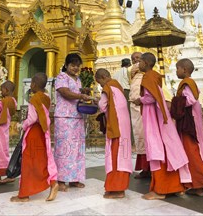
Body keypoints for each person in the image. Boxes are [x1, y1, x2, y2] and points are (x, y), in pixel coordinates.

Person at [133, 52, 191, 200]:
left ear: (145, 63)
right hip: (159, 116)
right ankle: (175, 186)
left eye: (139, 61)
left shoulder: (148, 77)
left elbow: (150, 97)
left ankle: (160, 190)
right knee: (166, 150)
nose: (138, 64)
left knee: (157, 151)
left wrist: (139, 100)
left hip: (154, 118)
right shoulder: (155, 76)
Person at [172, 58, 203, 200]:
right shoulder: (186, 83)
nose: (176, 71)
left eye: (177, 68)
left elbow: (191, 100)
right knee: (189, 153)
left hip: (190, 122)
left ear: (184, 70)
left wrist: (174, 104)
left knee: (195, 153)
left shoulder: (188, 82)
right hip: (187, 121)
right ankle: (197, 187)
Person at [10, 72, 59, 202]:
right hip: (43, 132)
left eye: (31, 82)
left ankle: (24, 194)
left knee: (28, 162)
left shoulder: (34, 98)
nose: (30, 85)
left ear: (35, 84)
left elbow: (32, 118)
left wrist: (22, 125)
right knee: (43, 160)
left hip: (34, 133)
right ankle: (53, 183)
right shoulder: (46, 97)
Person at [54, 53, 92, 192]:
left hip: (77, 117)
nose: (75, 68)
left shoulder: (78, 79)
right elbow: (65, 92)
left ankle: (74, 178)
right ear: (66, 65)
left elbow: (76, 94)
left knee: (77, 149)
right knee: (64, 150)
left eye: (77, 65)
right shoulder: (61, 77)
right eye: (72, 65)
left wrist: (83, 91)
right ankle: (61, 179)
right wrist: (80, 95)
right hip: (64, 118)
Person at [95, 68, 132, 199]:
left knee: (116, 157)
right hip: (125, 125)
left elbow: (103, 105)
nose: (100, 85)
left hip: (116, 126)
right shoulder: (118, 85)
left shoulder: (108, 88)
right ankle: (118, 187)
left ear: (104, 77)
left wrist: (96, 100)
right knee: (123, 155)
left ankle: (117, 189)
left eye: (99, 82)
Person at [129, 51, 150, 178]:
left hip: (145, 110)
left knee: (147, 138)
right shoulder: (134, 74)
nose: (136, 61)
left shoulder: (148, 75)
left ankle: (150, 169)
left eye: (138, 59)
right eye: (133, 59)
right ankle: (144, 168)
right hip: (135, 109)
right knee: (140, 138)